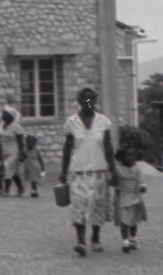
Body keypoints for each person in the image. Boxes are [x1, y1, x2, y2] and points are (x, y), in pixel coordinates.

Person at [58, 87, 118, 256]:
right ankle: (80, 241)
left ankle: (96, 238)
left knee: (96, 204)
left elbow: (108, 147)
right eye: (84, 99)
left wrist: (113, 171)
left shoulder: (103, 122)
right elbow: (67, 147)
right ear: (78, 101)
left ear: (96, 101)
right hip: (78, 170)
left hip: (99, 170)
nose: (87, 102)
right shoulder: (72, 122)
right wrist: (63, 171)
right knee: (79, 204)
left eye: (91, 99)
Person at [112, 146, 147, 253]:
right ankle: (125, 241)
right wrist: (113, 182)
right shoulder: (118, 169)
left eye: (133, 156)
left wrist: (142, 188)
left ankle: (133, 238)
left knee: (133, 220)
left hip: (135, 197)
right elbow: (113, 180)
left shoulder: (137, 170)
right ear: (121, 158)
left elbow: (141, 182)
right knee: (124, 220)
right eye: (128, 156)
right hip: (122, 196)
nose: (131, 158)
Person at [0, 106, 26, 197]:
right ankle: (21, 188)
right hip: (4, 151)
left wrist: (21, 154)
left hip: (14, 151)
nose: (3, 115)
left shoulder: (17, 127)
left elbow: (21, 141)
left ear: (11, 116)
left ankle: (6, 190)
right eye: (3, 113)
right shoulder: (2, 126)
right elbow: (0, 139)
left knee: (7, 168)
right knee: (15, 172)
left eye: (5, 113)